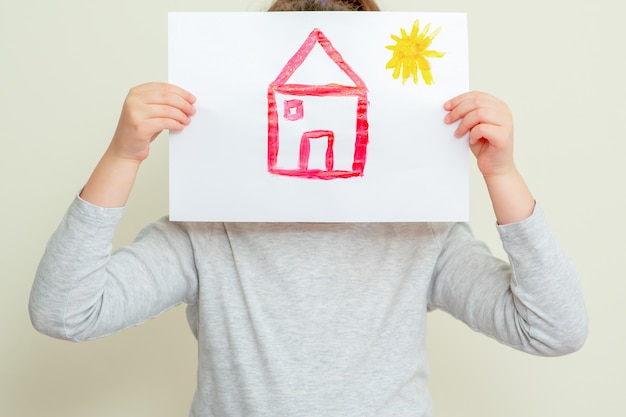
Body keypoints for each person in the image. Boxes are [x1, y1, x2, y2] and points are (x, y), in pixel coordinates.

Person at [29, 0, 588, 416]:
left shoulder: (423, 232)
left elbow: (555, 329)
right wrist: (122, 157)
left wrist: (502, 174)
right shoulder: (204, 231)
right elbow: (66, 313)